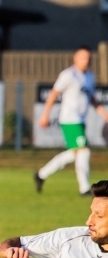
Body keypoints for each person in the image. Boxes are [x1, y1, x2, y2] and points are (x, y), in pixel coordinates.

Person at [35, 46, 108, 196]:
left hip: (81, 120)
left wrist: (104, 114)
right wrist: (45, 115)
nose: (86, 60)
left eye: (88, 58)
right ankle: (84, 188)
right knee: (84, 150)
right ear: (75, 58)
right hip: (70, 119)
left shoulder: (89, 77)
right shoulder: (69, 75)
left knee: (75, 153)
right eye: (83, 57)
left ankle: (41, 174)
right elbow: (54, 93)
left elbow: (92, 99)